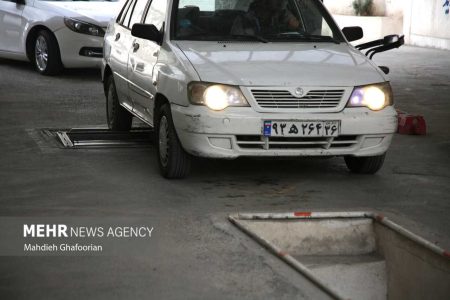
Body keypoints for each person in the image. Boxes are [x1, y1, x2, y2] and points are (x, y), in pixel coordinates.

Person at [231, 0, 301, 35]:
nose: (281, 1)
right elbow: (237, 39)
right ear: (263, 2)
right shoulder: (244, 19)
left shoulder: (284, 14)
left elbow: (298, 28)